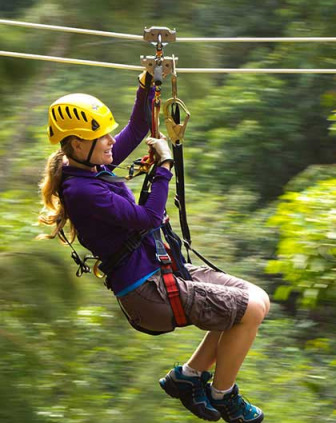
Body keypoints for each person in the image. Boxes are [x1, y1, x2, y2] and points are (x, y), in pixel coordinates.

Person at [37, 73, 269, 423]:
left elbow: (135, 127)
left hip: (162, 270)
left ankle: (189, 377)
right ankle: (224, 395)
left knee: (257, 299)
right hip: (148, 291)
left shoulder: (92, 169)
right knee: (248, 310)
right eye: (102, 136)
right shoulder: (83, 192)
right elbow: (148, 217)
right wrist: (164, 167)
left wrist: (147, 86)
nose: (111, 141)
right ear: (77, 144)